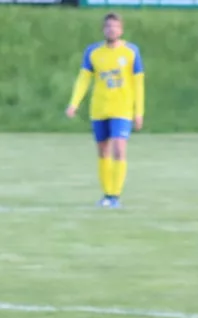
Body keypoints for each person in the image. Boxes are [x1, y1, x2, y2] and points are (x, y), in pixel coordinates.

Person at [66, 13, 145, 209]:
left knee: (119, 147)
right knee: (103, 150)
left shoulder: (131, 52)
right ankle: (107, 194)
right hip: (99, 108)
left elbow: (138, 83)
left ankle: (115, 194)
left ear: (121, 30)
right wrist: (74, 103)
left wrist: (139, 112)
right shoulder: (93, 52)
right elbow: (83, 79)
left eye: (115, 27)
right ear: (103, 29)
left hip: (123, 109)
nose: (112, 30)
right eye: (108, 26)